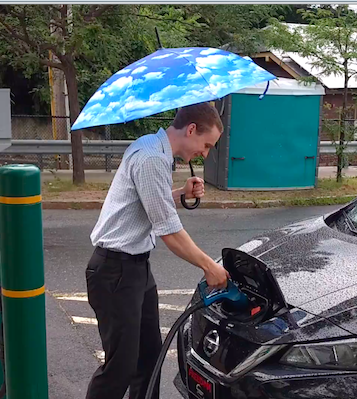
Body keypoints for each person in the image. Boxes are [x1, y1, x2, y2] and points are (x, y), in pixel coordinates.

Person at [84, 102, 230, 399]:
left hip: (136, 269)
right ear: (191, 130)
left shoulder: (153, 148)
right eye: (206, 144)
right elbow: (170, 233)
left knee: (149, 358)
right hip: (115, 272)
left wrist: (180, 193)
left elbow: (148, 202)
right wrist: (209, 267)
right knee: (119, 369)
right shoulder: (151, 158)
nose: (205, 153)